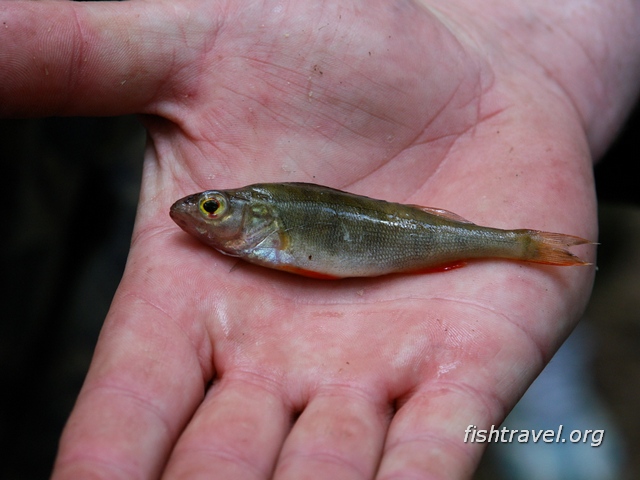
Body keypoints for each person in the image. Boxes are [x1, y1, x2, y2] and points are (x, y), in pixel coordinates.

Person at [2, 0, 639, 478]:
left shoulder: (265, 219)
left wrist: (541, 44)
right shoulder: (252, 226)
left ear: (252, 216)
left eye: (214, 205)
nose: (199, 213)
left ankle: (536, 309)